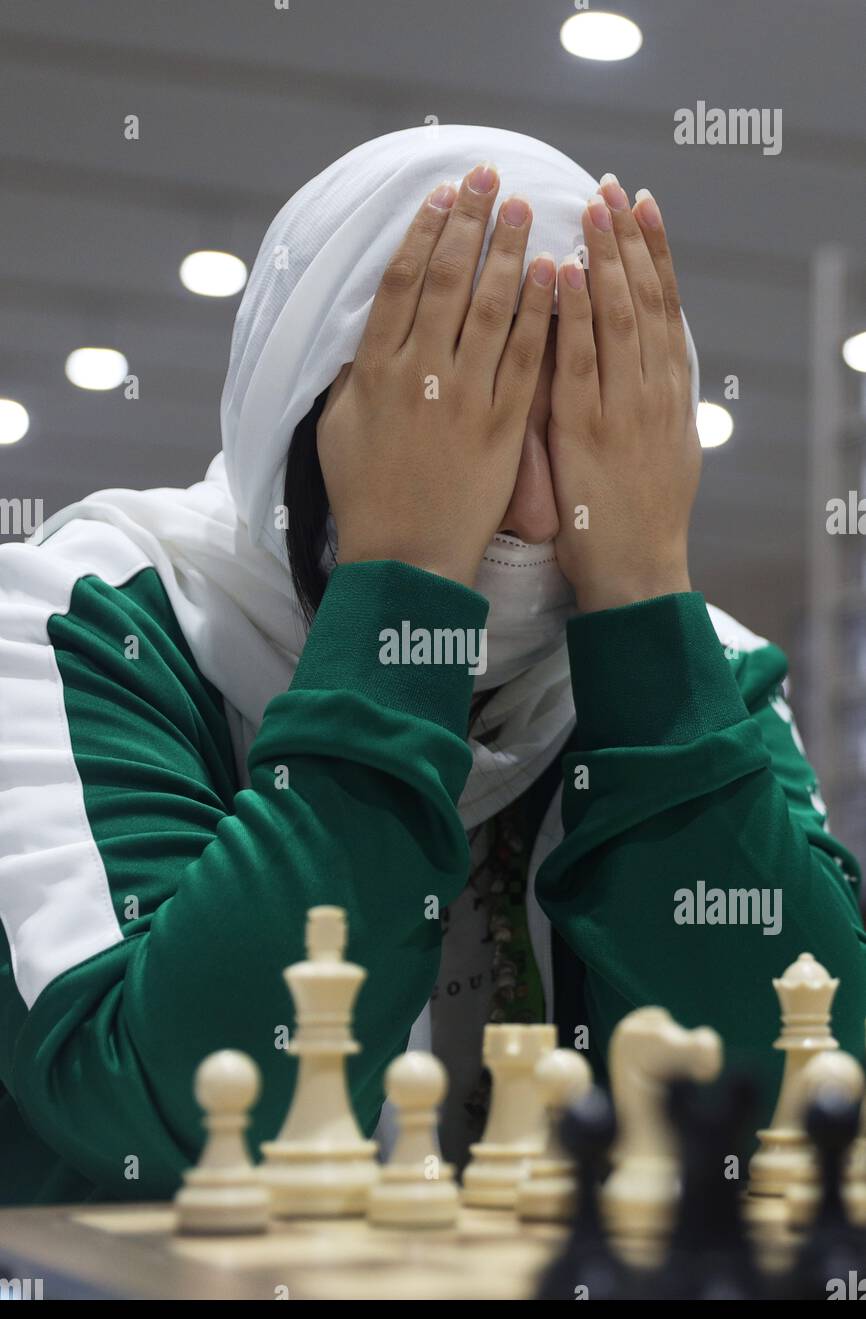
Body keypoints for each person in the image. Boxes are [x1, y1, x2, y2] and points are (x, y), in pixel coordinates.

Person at [1, 126, 864, 1204]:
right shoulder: (81, 616)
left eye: (585, 432)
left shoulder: (708, 668)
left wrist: (644, 599)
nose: (543, 512)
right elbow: (168, 1110)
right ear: (307, 415)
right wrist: (403, 581)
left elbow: (811, 1103)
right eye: (470, 430)